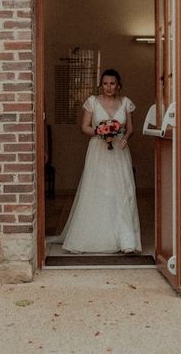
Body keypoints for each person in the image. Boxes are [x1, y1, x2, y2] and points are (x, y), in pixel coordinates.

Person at [59, 68, 142, 254]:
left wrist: (126, 137)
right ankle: (93, 237)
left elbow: (130, 128)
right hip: (98, 150)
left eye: (112, 83)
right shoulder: (92, 102)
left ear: (118, 85)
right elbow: (84, 127)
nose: (108, 87)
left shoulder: (126, 102)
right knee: (98, 191)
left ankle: (126, 239)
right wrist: (100, 132)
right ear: (101, 85)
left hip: (119, 150)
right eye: (105, 83)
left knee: (121, 191)